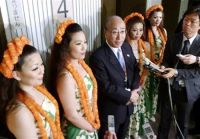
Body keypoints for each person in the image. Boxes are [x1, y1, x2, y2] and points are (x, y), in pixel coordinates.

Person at [0, 36, 63, 139]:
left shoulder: (38, 87)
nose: (42, 70)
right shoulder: (19, 113)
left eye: (41, 64)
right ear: (16, 75)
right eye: (35, 68)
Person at [89, 15, 140, 139]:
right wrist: (128, 96)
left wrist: (135, 91)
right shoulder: (98, 56)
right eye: (114, 32)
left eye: (122, 32)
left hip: (128, 108)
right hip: (111, 112)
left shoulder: (127, 47)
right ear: (105, 33)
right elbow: (105, 86)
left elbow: (135, 70)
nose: (119, 37)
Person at [49, 18, 100, 139]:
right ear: (66, 46)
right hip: (77, 130)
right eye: (78, 44)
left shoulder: (82, 63)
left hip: (89, 123)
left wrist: (92, 125)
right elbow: (71, 114)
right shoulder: (65, 76)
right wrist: (90, 128)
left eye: (85, 42)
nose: (84, 47)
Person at [157, 7, 200, 139]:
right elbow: (166, 60)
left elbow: (197, 73)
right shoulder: (173, 38)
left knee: (183, 124)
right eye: (186, 20)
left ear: (199, 25)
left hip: (188, 90)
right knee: (164, 121)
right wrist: (162, 68)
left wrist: (176, 72)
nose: (187, 24)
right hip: (169, 87)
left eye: (192, 21)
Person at [124, 12, 151, 138]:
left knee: (139, 110)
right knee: (129, 110)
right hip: (128, 85)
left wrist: (142, 83)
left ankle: (136, 133)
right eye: (134, 30)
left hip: (141, 83)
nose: (138, 33)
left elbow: (147, 67)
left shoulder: (145, 45)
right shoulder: (123, 46)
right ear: (128, 29)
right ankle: (127, 133)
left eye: (140, 30)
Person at [144, 4, 167, 121]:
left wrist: (162, 65)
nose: (158, 20)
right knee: (147, 91)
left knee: (155, 91)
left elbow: (165, 49)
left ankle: (151, 113)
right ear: (149, 18)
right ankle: (145, 113)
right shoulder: (144, 32)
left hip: (159, 66)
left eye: (160, 17)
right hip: (148, 66)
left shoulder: (163, 31)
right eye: (155, 17)